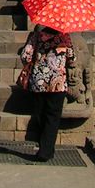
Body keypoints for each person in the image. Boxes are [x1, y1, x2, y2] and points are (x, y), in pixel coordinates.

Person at [17, 25, 77, 162]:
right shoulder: (65, 37)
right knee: (53, 117)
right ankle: (46, 150)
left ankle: (44, 147)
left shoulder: (37, 36)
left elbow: (25, 57)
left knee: (40, 114)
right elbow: (72, 59)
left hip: (39, 83)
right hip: (58, 84)